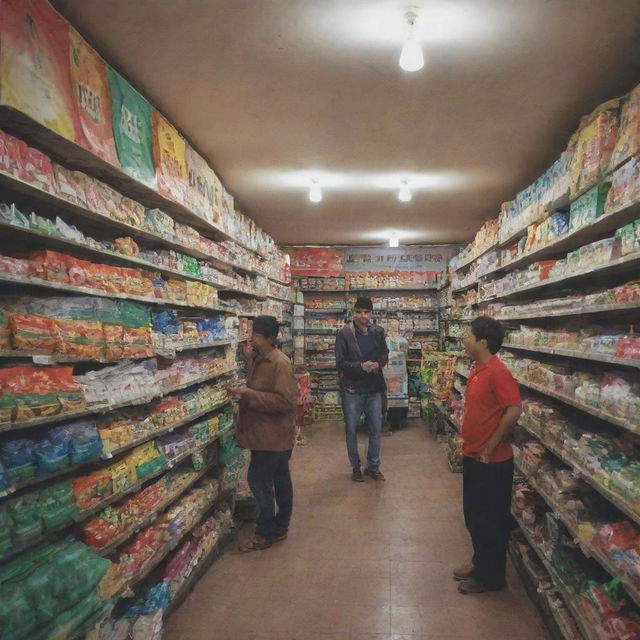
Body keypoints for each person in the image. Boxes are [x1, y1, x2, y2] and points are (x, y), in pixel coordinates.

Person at [454, 316, 522, 594]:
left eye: (468, 335)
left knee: (490, 521)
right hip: (474, 455)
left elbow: (514, 408)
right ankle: (479, 564)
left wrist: (491, 445)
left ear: (483, 342)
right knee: (474, 516)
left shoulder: (498, 371)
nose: (464, 339)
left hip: (491, 462)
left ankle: (491, 578)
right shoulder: (477, 368)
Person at [229, 315, 298, 552]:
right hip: (267, 434)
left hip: (272, 436)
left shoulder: (279, 363)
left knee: (258, 482)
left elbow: (285, 401)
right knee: (280, 479)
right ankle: (280, 526)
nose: (252, 338)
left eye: (257, 335)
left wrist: (248, 394)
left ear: (269, 338)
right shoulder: (259, 358)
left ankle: (264, 533)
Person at [335, 296, 389, 482]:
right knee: (351, 430)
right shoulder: (344, 334)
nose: (362, 316)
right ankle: (356, 467)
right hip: (352, 390)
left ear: (371, 313)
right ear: (353, 312)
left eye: (366, 312)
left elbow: (384, 355)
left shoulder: (378, 332)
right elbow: (340, 363)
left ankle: (373, 466)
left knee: (375, 429)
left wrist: (377, 365)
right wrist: (360, 367)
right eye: (359, 312)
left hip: (374, 389)